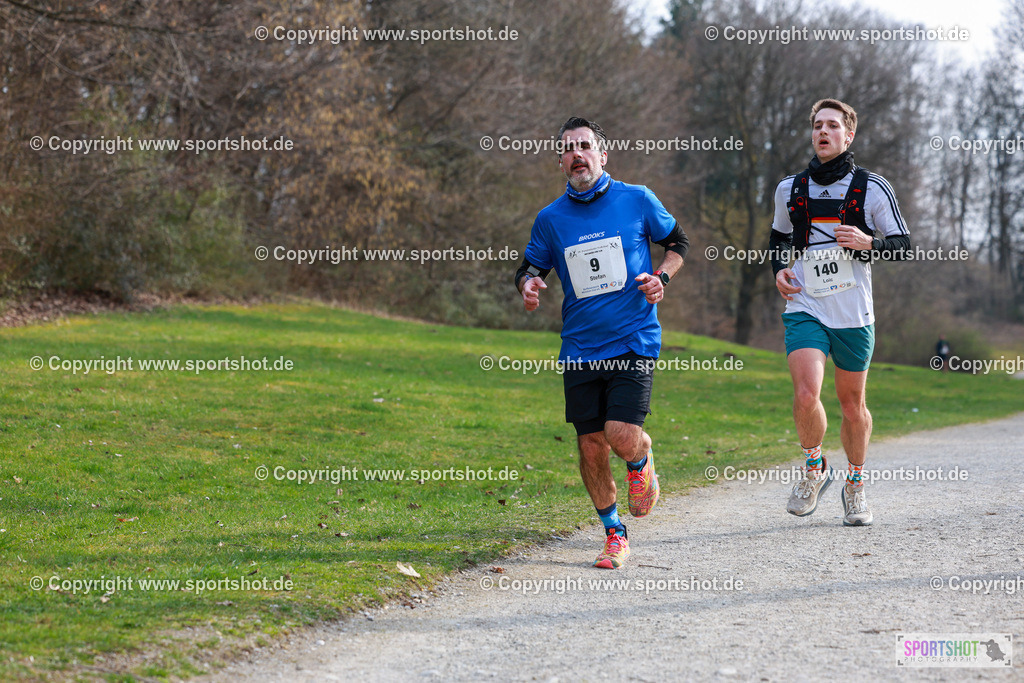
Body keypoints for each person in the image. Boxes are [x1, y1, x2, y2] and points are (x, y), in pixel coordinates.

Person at [515, 116, 688, 568]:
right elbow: (531, 267)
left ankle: (641, 457)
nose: (577, 154)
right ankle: (614, 533)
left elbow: (678, 242)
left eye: (585, 146)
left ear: (602, 154)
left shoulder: (637, 199)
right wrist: (528, 285)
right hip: (579, 346)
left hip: (633, 337)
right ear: (560, 161)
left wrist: (662, 277)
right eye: (568, 148)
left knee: (621, 435)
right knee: (590, 444)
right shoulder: (550, 219)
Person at [768, 99, 910, 526]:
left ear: (849, 135)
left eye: (832, 126)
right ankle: (814, 467)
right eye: (817, 125)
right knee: (807, 393)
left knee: (852, 405)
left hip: (853, 312)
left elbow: (902, 245)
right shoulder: (789, 188)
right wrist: (779, 271)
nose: (822, 132)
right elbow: (777, 239)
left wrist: (868, 243)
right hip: (806, 304)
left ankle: (855, 483)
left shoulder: (872, 187)